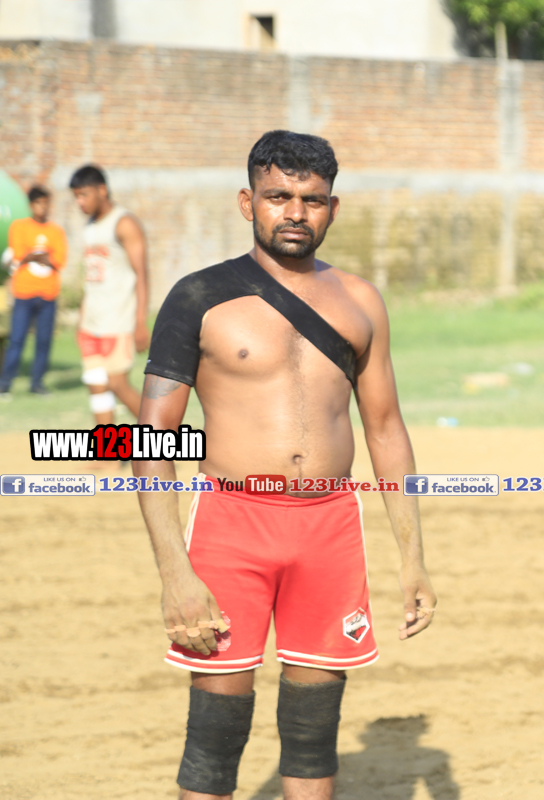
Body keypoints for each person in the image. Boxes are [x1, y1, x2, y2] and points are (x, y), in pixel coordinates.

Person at [133, 130, 435, 800]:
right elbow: (152, 441)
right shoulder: (197, 296)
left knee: (313, 733)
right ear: (249, 203)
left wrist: (413, 557)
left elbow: (386, 429)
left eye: (312, 200)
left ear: (333, 208)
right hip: (231, 526)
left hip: (329, 526)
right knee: (214, 737)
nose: (295, 212)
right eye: (278, 197)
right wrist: (174, 574)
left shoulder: (361, 302)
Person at [70, 164, 149, 424]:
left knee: (117, 384)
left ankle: (164, 435)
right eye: (76, 197)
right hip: (91, 324)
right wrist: (81, 318)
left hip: (117, 321)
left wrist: (140, 322)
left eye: (84, 195)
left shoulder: (124, 223)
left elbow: (141, 274)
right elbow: (91, 279)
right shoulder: (89, 226)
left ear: (102, 190)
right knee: (96, 386)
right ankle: (109, 449)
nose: (79, 202)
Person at [0, 185, 67, 397]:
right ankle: (5, 383)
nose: (42, 208)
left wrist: (33, 256)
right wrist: (40, 256)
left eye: (46, 203)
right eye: (38, 203)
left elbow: (59, 259)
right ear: (31, 205)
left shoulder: (55, 231)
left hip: (48, 294)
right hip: (24, 292)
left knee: (44, 341)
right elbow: (19, 255)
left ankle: (37, 383)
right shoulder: (19, 227)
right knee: (17, 339)